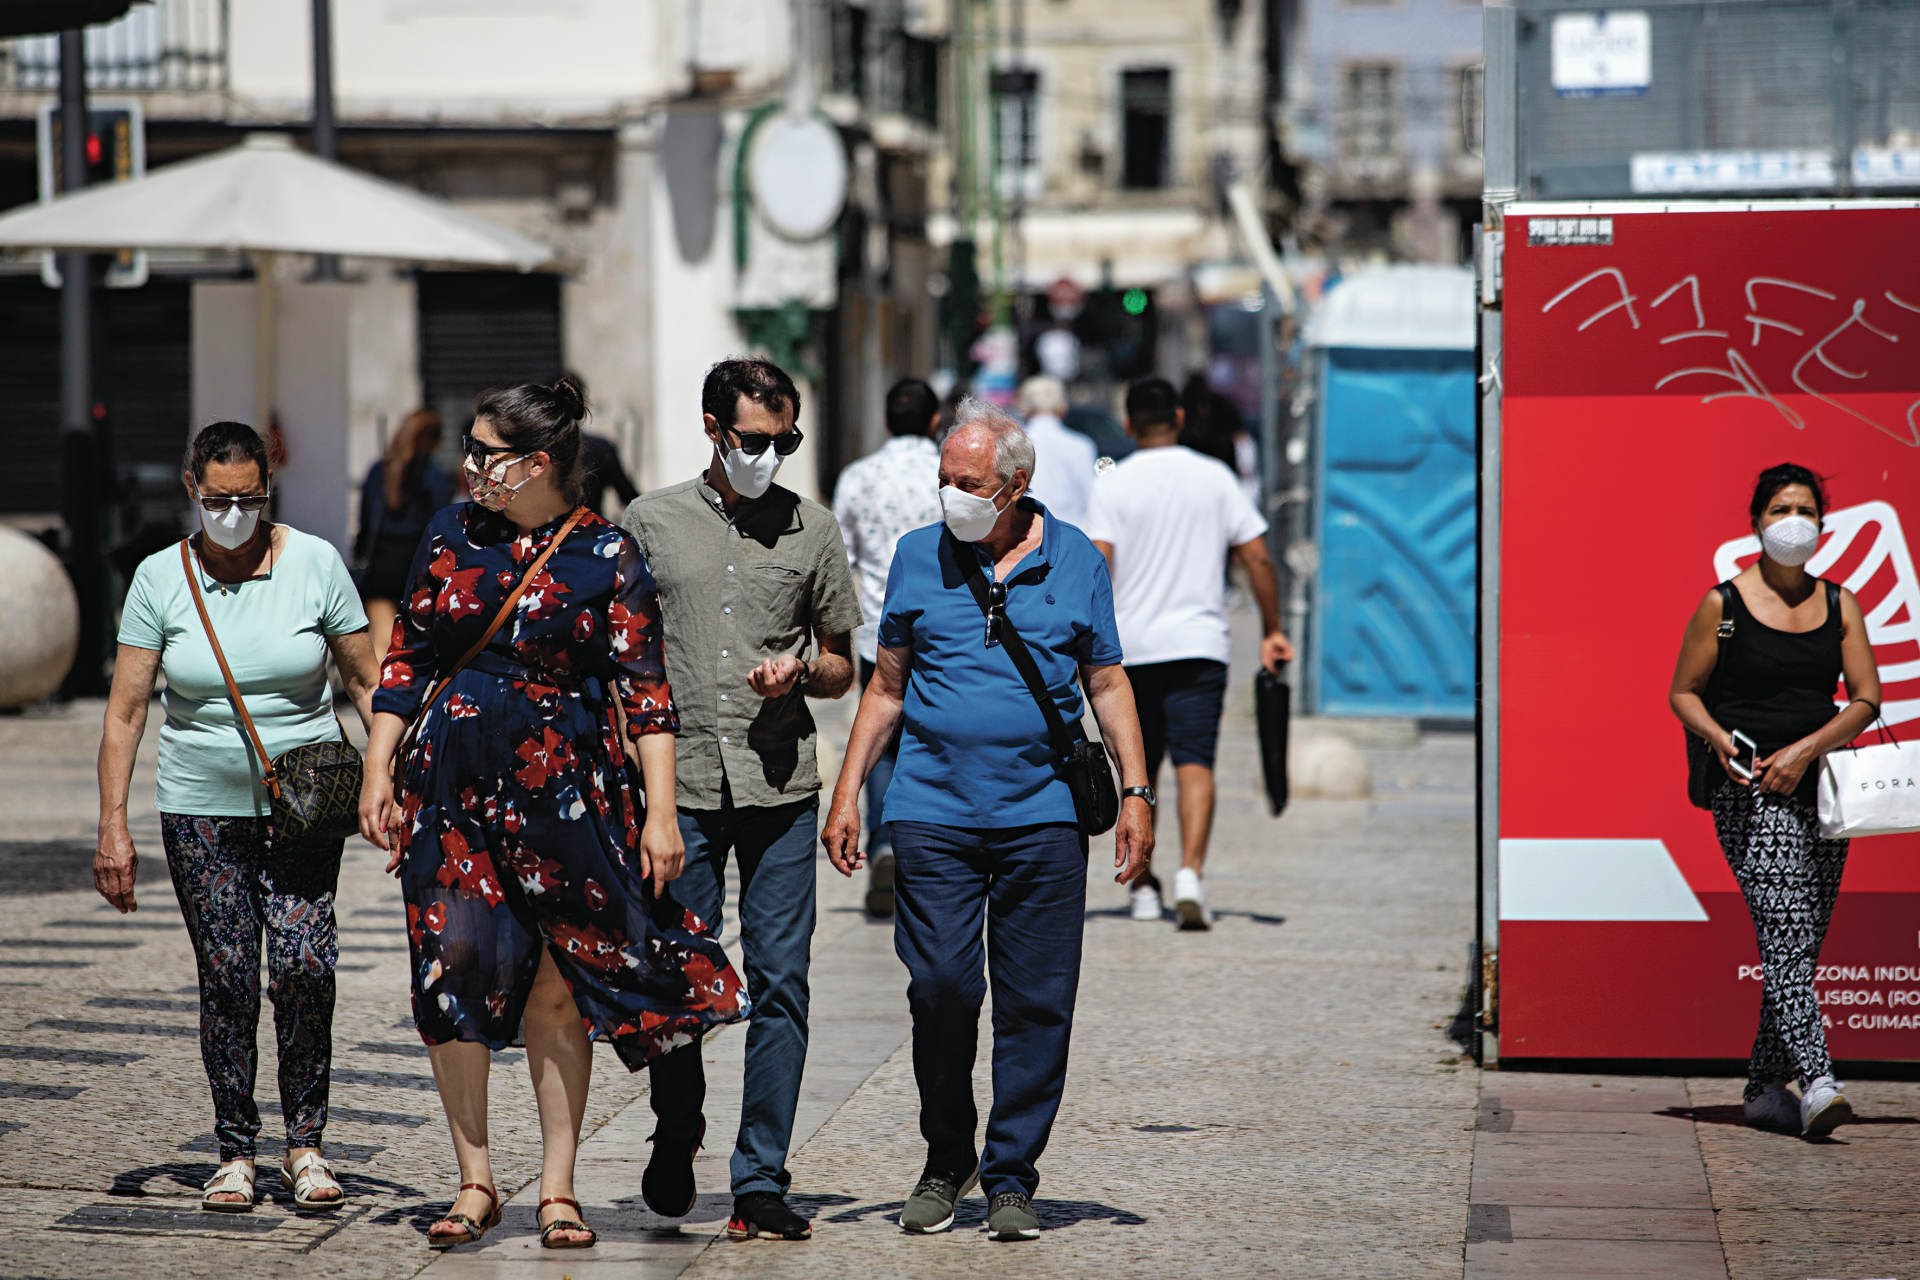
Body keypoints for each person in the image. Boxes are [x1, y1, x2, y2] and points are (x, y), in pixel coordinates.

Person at [358, 377, 747, 1251]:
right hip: (451, 788)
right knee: (451, 967)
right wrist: (378, 768)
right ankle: (475, 1180)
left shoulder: (606, 552)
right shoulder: (451, 533)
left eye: (484, 453)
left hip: (566, 792)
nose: (467, 466)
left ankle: (559, 1188)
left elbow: (648, 693)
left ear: (535, 463)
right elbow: (408, 656)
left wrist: (659, 813)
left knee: (555, 988)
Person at [822, 398, 1154, 1243]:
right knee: (939, 988)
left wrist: (1138, 793)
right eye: (943, 480)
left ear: (1015, 486)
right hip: (931, 812)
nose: (949, 497)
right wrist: (849, 790)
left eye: (966, 484)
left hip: (1042, 818)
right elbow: (886, 685)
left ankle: (1010, 1175)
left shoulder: (1076, 560)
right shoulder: (914, 558)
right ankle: (946, 1156)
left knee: (1038, 1003)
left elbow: (1107, 683)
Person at [94, 421, 381, 1214]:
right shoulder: (159, 578)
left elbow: (366, 682)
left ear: (268, 490)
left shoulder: (315, 563)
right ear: (192, 489)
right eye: (219, 499)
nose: (234, 512)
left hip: (304, 806)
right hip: (199, 809)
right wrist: (112, 824)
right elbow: (125, 715)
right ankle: (234, 1150)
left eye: (250, 497)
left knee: (302, 966)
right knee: (226, 977)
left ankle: (308, 1144)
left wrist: (388, 776)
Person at [622, 357, 863, 1242]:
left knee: (783, 980)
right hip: (674, 788)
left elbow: (844, 665)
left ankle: (761, 1175)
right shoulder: (649, 523)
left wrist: (803, 670)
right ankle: (677, 1124)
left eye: (784, 440)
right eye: (755, 438)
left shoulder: (815, 531)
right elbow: (616, 652)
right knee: (677, 977)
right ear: (715, 429)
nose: (770, 454)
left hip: (779, 785)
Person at [1669, 463, 1881, 1138]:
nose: (1795, 522)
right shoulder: (1722, 604)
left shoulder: (1841, 603)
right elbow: (1684, 691)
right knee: (1787, 932)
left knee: (1800, 942)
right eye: (1781, 509)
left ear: (1824, 523)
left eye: (1807, 510)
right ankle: (1817, 1080)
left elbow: (1868, 698)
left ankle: (1764, 1088)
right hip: (1750, 793)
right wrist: (1717, 738)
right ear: (1756, 521)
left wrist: (1807, 750)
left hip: (1820, 788)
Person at [1085, 376, 1294, 930]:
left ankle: (1144, 887)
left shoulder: (1112, 482)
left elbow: (1098, 566)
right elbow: (1258, 559)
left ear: (1128, 424)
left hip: (1129, 652)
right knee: (1196, 761)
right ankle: (1190, 876)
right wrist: (1272, 627)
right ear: (1178, 417)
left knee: (1139, 767)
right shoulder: (1216, 477)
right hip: (1200, 646)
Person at [832, 377, 943, 917]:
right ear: (933, 420)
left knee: (881, 738)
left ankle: (880, 842)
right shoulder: (949, 474)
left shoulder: (857, 476)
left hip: (879, 627)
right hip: (946, 629)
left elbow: (841, 560)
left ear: (884, 421)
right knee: (937, 736)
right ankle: (932, 856)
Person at [354, 408, 454, 662]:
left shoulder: (378, 471)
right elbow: (443, 525)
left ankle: (379, 698)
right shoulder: (435, 477)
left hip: (380, 567)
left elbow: (365, 521)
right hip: (418, 567)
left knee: (383, 643)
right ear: (434, 441)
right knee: (418, 647)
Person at [1014, 375, 1097, 527]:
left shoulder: (1012, 443)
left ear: (1024, 407)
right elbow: (1090, 498)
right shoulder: (1081, 445)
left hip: (1026, 534)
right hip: (1071, 534)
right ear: (1063, 407)